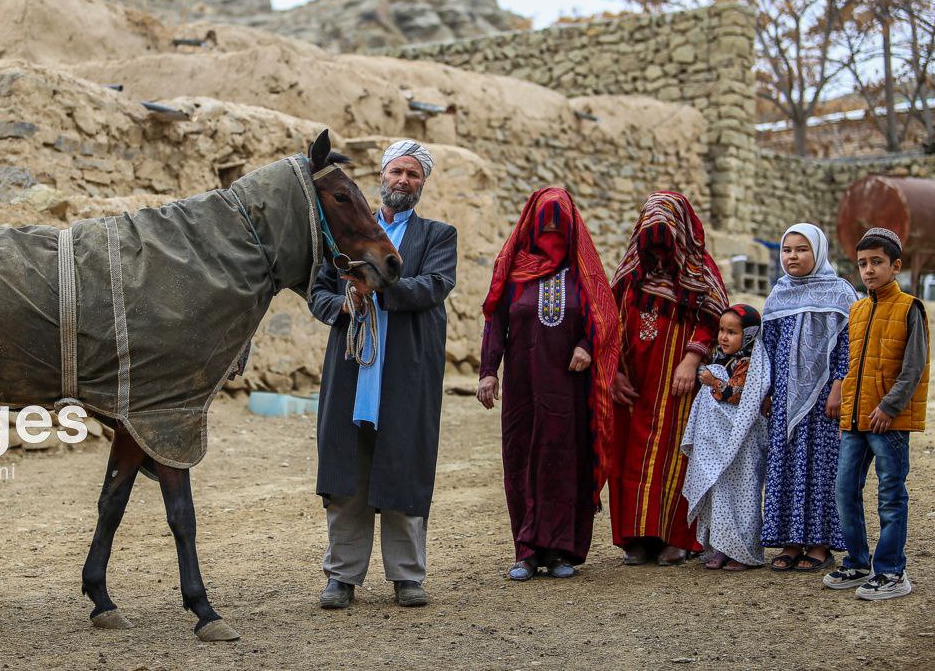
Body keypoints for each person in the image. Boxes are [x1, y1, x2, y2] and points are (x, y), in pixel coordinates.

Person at [309, 140, 458, 610]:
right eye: (397, 172)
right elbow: (318, 292)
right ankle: (341, 577)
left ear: (422, 183)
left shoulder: (438, 235)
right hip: (352, 371)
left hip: (406, 372)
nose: (403, 181)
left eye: (413, 175)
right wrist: (343, 303)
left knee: (402, 468)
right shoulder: (350, 229)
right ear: (382, 175)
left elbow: (435, 285)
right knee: (346, 472)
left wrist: (376, 286)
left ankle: (407, 577)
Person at [476, 188, 620, 580]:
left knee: (563, 460)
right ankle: (526, 549)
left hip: (568, 388)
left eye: (560, 222)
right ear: (532, 224)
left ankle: (560, 550)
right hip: (522, 386)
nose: (552, 230)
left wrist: (587, 345)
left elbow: (605, 315)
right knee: (520, 458)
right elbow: (495, 320)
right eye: (546, 221)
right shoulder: (513, 270)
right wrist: (489, 370)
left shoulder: (583, 272)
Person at [609, 191, 728, 567]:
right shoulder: (629, 271)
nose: (658, 242)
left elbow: (717, 322)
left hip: (678, 379)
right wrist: (611, 372)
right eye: (651, 231)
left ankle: (676, 537)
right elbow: (607, 322)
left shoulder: (700, 271)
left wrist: (692, 359)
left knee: (677, 453)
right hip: (633, 379)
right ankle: (637, 536)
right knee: (630, 453)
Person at [824, 227, 930, 601]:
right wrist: (847, 414)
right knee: (845, 490)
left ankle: (891, 571)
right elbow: (853, 367)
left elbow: (913, 367)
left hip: (889, 421)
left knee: (890, 494)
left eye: (877, 263)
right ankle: (856, 561)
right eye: (863, 264)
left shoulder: (910, 308)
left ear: (895, 266)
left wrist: (889, 406)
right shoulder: (858, 308)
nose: (868, 270)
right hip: (855, 420)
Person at [756, 223, 858, 574]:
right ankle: (789, 542)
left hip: (823, 398)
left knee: (819, 468)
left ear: (818, 252)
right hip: (783, 397)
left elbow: (850, 343)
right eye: (787, 250)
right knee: (785, 465)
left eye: (802, 249)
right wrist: (766, 390)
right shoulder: (778, 294)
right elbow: (766, 350)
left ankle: (819, 545)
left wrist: (840, 384)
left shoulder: (840, 292)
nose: (793, 256)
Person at [681, 304, 768, 571]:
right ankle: (719, 547)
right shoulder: (720, 359)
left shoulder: (752, 363)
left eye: (732, 332)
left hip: (742, 444)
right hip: (716, 444)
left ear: (750, 335)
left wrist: (713, 383)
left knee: (743, 494)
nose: (723, 337)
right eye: (721, 330)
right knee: (718, 493)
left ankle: (742, 551)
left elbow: (743, 395)